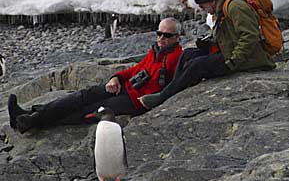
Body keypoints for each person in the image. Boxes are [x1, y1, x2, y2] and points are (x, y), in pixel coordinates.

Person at [8, 18, 183, 133]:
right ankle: (29, 114)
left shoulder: (176, 57)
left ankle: (33, 122)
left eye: (166, 35)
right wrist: (117, 77)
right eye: (159, 33)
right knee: (81, 96)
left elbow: (169, 86)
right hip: (123, 88)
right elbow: (135, 69)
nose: (161, 38)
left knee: (89, 111)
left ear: (177, 37)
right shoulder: (156, 50)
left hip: (133, 101)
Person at [139, 0, 276, 109]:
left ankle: (163, 97)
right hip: (230, 52)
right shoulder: (222, 6)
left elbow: (250, 36)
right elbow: (229, 34)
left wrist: (233, 62)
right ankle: (170, 91)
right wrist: (210, 42)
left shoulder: (235, 7)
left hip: (248, 58)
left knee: (197, 65)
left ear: (211, 0)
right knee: (188, 54)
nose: (202, 9)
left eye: (202, 5)